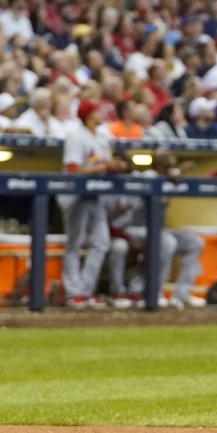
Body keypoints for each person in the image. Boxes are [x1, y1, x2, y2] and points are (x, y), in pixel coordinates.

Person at [106, 150, 205, 309]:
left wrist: (179, 174)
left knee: (195, 242)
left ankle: (181, 295)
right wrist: (176, 173)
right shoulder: (147, 176)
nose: (169, 167)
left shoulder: (171, 179)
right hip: (133, 228)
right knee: (167, 242)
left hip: (156, 230)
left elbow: (194, 184)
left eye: (170, 164)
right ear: (158, 165)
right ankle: (155, 292)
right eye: (165, 163)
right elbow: (152, 181)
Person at [59, 100, 127, 308]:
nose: (101, 114)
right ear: (88, 116)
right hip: (76, 197)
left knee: (101, 243)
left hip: (96, 197)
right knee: (74, 245)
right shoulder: (77, 138)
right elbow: (72, 170)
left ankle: (85, 291)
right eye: (97, 112)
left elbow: (104, 166)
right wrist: (104, 166)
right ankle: (73, 293)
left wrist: (116, 166)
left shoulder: (101, 139)